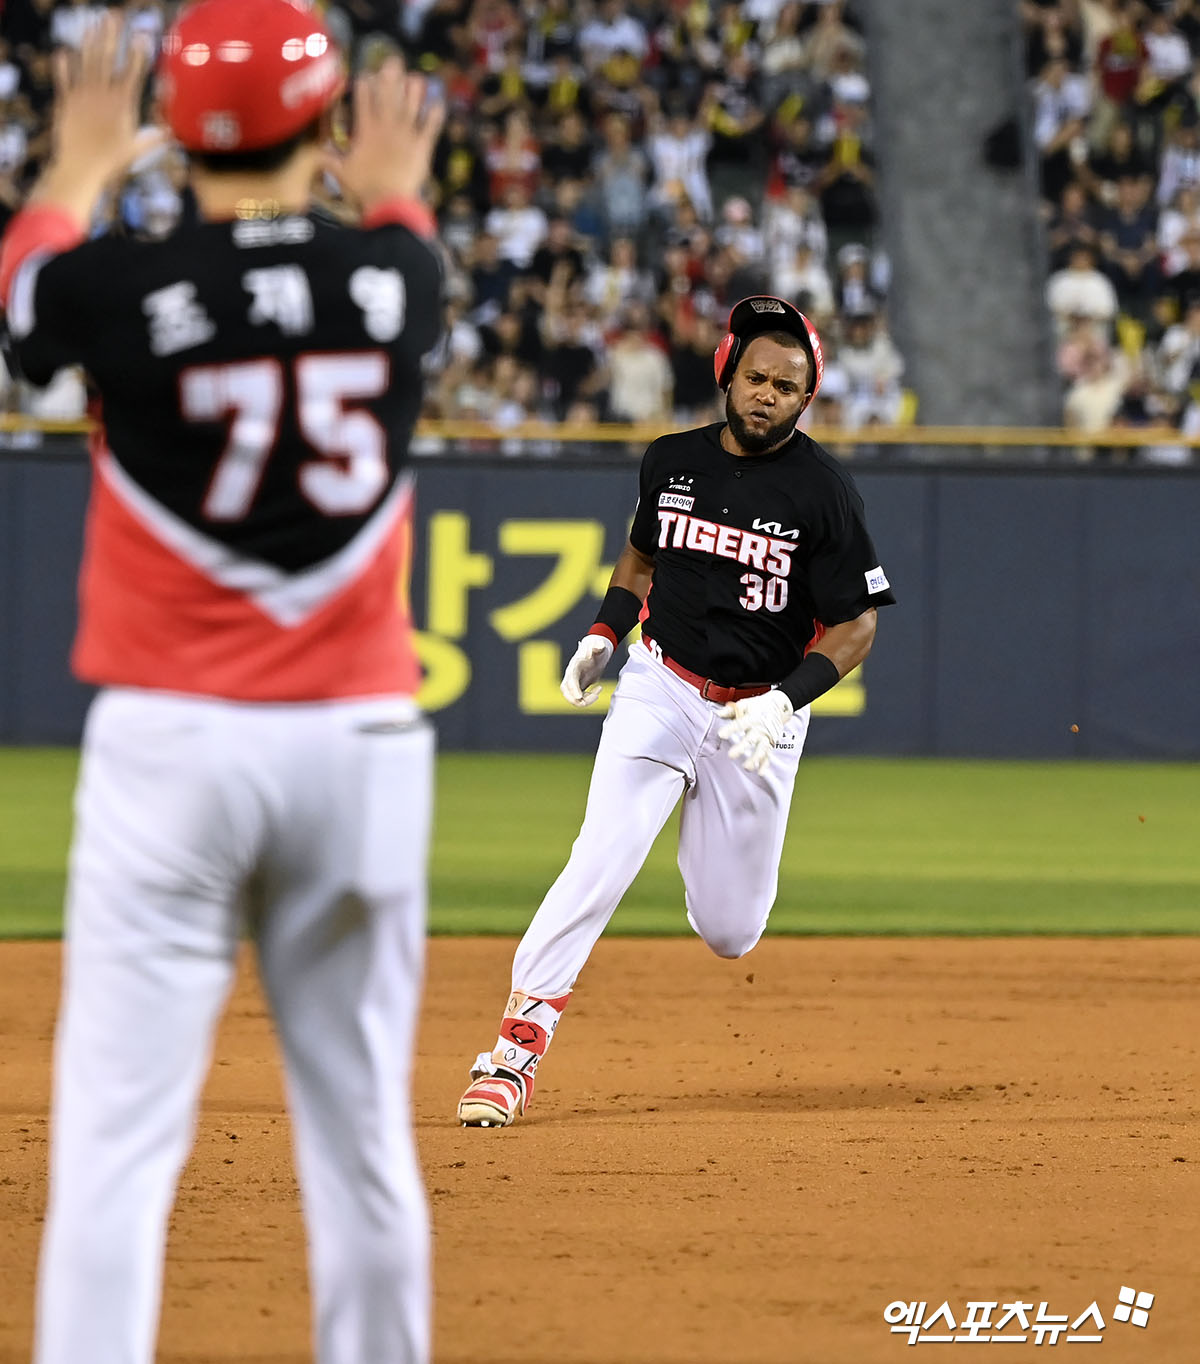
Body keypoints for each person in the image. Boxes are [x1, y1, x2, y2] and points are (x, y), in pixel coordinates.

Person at [0, 3, 444, 1360]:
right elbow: (404, 251)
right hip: (362, 741)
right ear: (322, 125)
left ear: (174, 132)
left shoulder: (116, 288)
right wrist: (393, 198)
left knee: (117, 1147)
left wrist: (76, 169)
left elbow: (24, 310)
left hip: (173, 745)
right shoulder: (398, 282)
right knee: (365, 1138)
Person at [456, 295, 896, 1128]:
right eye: (757, 376)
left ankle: (708, 857)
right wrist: (603, 632)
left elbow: (858, 621)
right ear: (728, 374)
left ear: (808, 398)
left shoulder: (825, 492)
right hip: (661, 685)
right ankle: (514, 1050)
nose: (768, 393)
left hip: (759, 715)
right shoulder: (671, 460)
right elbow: (642, 553)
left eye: (788, 385)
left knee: (731, 929)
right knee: (601, 856)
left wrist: (785, 701)